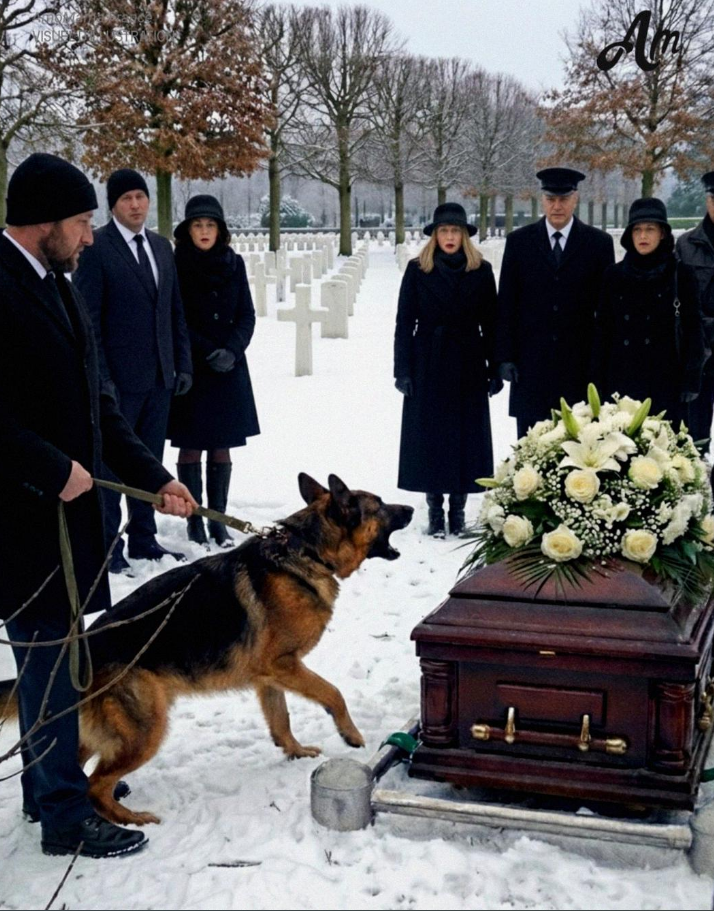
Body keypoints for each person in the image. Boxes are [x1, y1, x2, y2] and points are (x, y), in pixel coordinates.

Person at [0, 153, 197, 858]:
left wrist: (156, 477)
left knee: (56, 665)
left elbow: (98, 408)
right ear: (45, 221)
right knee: (50, 667)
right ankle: (62, 816)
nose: (90, 235)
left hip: (69, 521)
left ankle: (44, 786)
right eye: (83, 221)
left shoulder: (58, 283)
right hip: (25, 525)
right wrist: (52, 469)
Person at [74, 169, 193, 573]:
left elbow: (174, 311)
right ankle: (110, 546)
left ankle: (144, 537)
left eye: (141, 196)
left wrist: (181, 363)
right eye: (126, 198)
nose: (136, 205)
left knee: (150, 462)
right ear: (113, 205)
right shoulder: (97, 248)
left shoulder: (161, 247)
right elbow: (89, 321)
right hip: (118, 384)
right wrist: (102, 379)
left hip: (160, 379)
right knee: (112, 465)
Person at [393, 202, 501, 538]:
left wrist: (495, 367)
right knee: (432, 437)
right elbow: (404, 322)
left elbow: (492, 323)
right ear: (435, 236)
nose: (450, 237)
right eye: (444, 231)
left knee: (465, 437)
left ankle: (458, 510)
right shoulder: (418, 270)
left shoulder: (481, 270)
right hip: (428, 361)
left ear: (464, 236)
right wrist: (402, 370)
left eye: (455, 231)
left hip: (468, 361)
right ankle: (435, 511)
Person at [495, 167, 615, 437]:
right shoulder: (519, 242)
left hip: (579, 366)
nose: (557, 206)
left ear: (575, 199)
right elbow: (507, 303)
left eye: (564, 199)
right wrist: (504, 357)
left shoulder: (598, 244)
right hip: (531, 366)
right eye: (551, 199)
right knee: (531, 448)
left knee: (580, 449)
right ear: (542, 199)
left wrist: (603, 362)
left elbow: (606, 311)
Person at [168, 195, 260, 545]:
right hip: (193, 365)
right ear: (187, 230)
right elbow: (176, 316)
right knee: (191, 445)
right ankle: (195, 520)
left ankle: (217, 519)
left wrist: (233, 349)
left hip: (228, 366)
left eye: (210, 225)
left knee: (222, 445)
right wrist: (207, 350)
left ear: (220, 230)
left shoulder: (234, 263)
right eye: (198, 225)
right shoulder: (176, 264)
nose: (204, 231)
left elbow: (247, 313)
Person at [590, 197, 705, 423]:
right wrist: (596, 381)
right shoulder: (613, 276)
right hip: (621, 383)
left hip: (666, 384)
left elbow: (693, 330)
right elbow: (602, 332)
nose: (643, 236)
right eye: (637, 230)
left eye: (650, 229)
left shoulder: (681, 275)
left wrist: (691, 380)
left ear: (662, 233)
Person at [676, 171, 714, 444]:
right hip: (699, 356)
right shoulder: (686, 245)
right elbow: (679, 304)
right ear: (708, 201)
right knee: (694, 440)